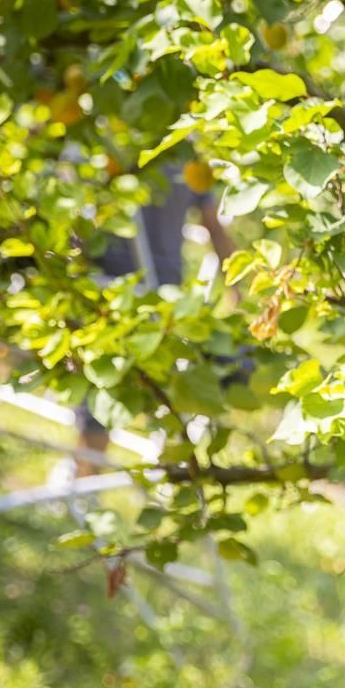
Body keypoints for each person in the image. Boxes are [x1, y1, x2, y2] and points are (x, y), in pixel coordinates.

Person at [71, 154, 237, 467]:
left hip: (124, 290)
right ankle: (87, 482)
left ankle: (86, 481)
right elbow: (214, 226)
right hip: (149, 292)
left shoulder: (120, 145)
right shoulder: (183, 158)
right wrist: (238, 287)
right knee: (110, 392)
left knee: (106, 389)